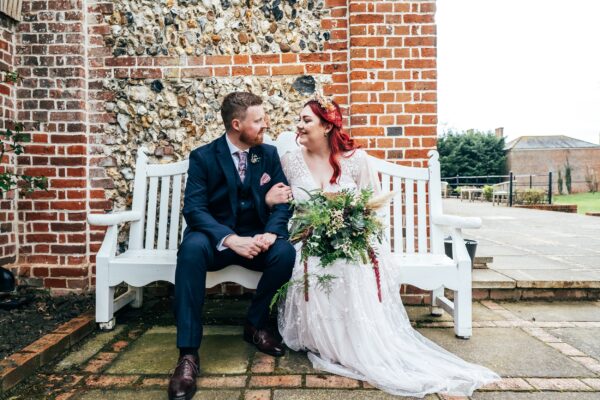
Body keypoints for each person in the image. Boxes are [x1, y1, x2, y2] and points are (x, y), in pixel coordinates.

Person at [265, 97, 500, 398]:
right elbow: (280, 204)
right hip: (307, 241)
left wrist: (349, 231)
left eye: (306, 120)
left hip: (352, 239)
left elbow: (372, 209)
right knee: (316, 263)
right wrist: (270, 201)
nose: (298, 125)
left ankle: (355, 341)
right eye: (298, 119)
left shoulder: (355, 160)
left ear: (326, 126)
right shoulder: (290, 160)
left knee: (348, 262)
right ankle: (326, 340)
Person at [168, 92, 296, 400]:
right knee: (191, 249)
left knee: (285, 252)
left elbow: (282, 201)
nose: (265, 124)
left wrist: (271, 233)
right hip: (216, 240)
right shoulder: (203, 157)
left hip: (255, 238)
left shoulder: (265, 154)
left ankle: (255, 325)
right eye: (258, 120)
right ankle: (187, 354)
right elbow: (195, 210)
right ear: (236, 124)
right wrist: (229, 239)